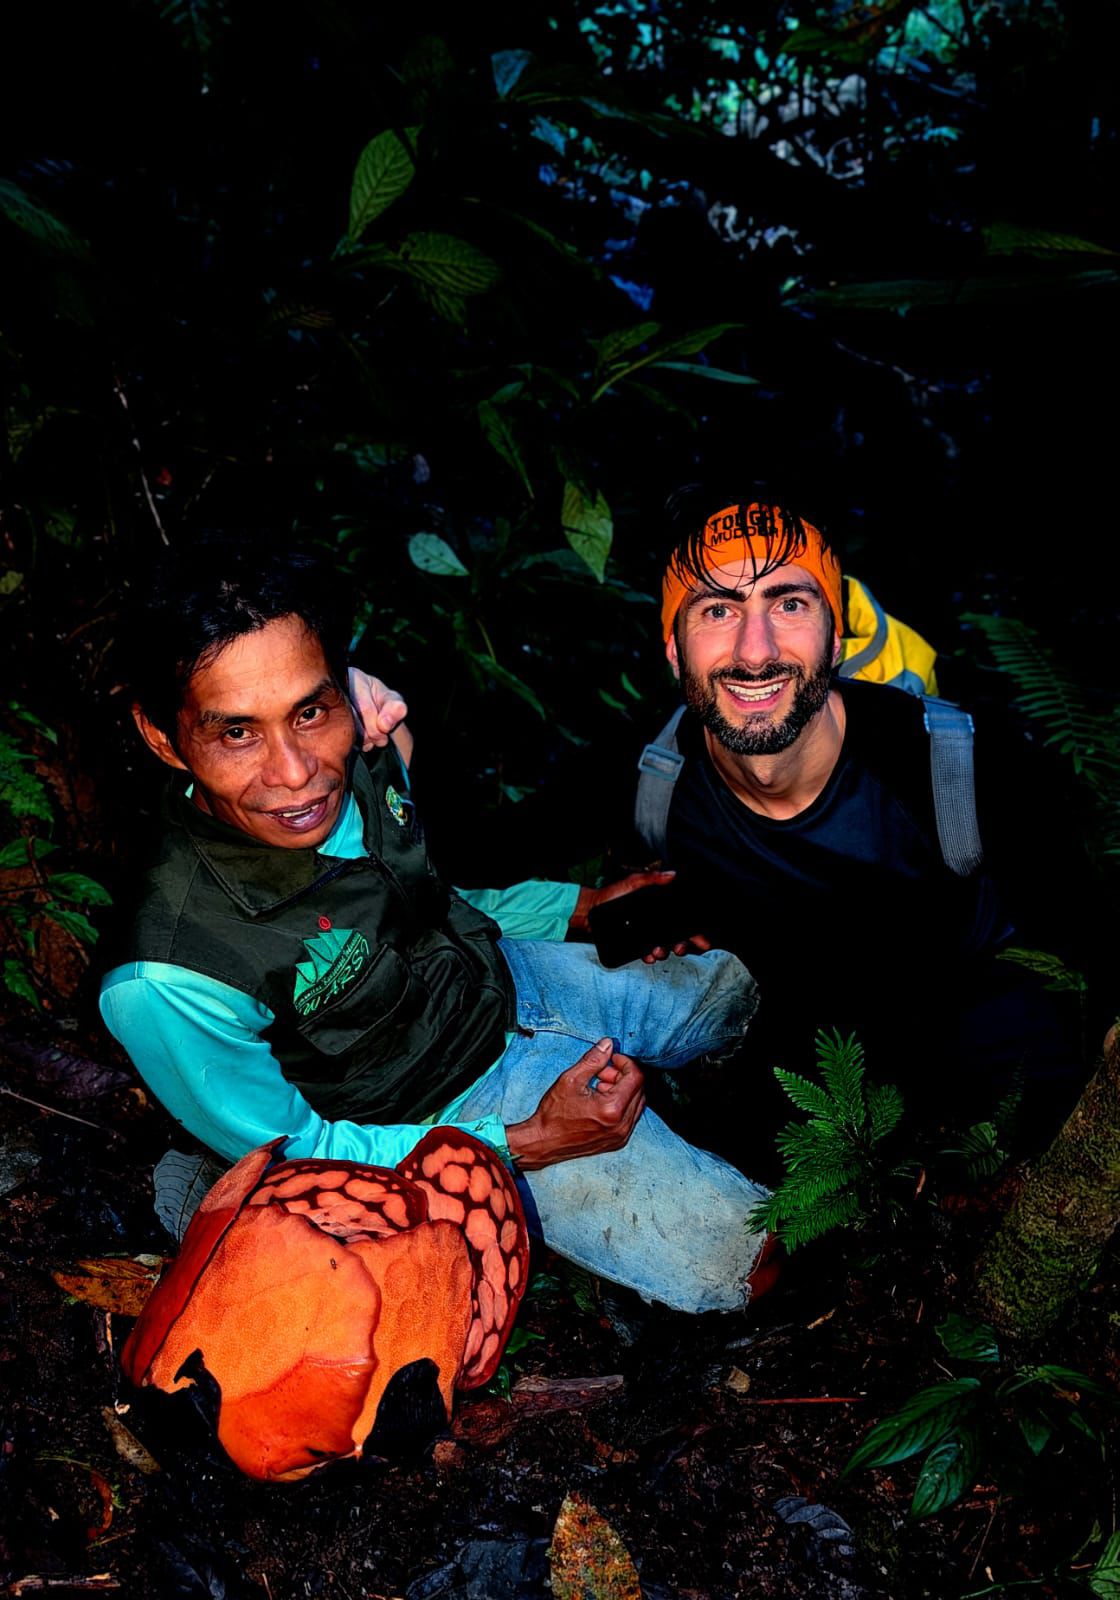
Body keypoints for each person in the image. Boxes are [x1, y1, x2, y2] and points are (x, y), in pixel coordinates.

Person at [99, 537, 775, 1315]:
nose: (295, 774)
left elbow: (430, 897)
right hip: (441, 1117)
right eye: (237, 733)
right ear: (161, 736)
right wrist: (532, 1140)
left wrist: (583, 909)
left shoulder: (370, 746)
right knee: (748, 1265)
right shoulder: (173, 975)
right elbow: (302, 1158)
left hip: (504, 978)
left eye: (310, 711)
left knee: (738, 992)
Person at [621, 492, 1087, 1167]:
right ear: (673, 648)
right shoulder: (656, 783)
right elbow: (480, 876)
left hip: (990, 1061)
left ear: (836, 637)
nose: (757, 652)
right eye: (718, 610)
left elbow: (1085, 953)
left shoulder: (960, 769)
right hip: (809, 1078)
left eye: (790, 604)